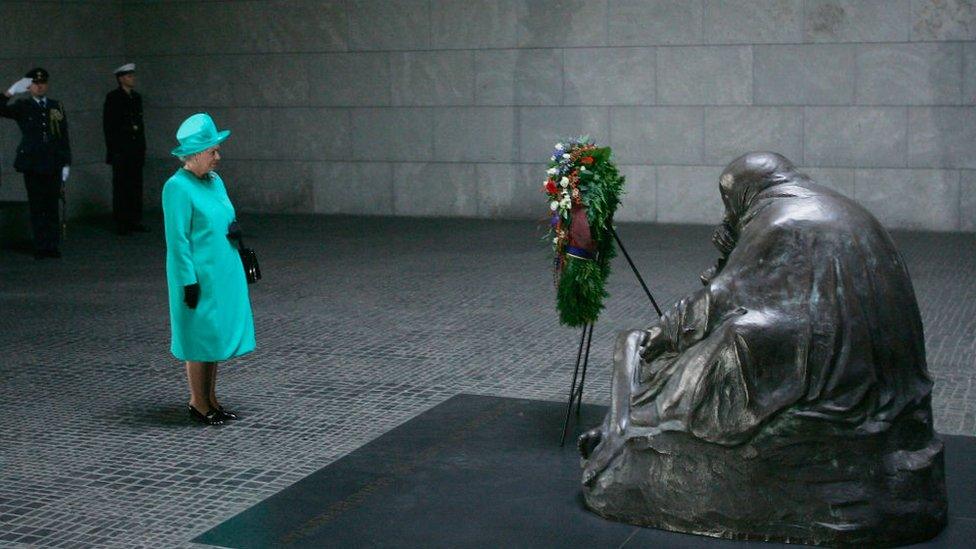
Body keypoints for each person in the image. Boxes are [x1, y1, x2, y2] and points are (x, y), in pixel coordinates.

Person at [163, 113, 255, 425]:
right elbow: (178, 241)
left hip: (222, 273)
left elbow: (224, 217)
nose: (218, 157)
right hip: (198, 278)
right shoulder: (176, 187)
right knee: (197, 339)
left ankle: (211, 400)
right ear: (198, 153)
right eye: (213, 151)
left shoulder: (215, 181)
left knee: (213, 337)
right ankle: (198, 403)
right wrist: (187, 281)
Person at [1, 68, 71, 259]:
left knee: (51, 205)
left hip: (53, 162)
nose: (40, 86)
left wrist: (66, 163)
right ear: (29, 86)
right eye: (36, 83)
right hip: (32, 163)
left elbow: (63, 135)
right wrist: (10, 91)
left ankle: (52, 245)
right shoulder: (23, 106)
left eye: (43, 83)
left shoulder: (56, 106)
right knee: (37, 206)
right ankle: (41, 245)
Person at [103, 63, 147, 235]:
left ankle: (134, 220)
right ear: (121, 78)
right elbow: (109, 126)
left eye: (132, 75)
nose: (132, 79)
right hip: (121, 150)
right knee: (122, 187)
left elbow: (140, 125)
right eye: (129, 76)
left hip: (135, 150)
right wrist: (114, 150)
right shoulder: (113, 97)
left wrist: (142, 147)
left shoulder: (136, 97)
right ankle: (122, 222)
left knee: (136, 186)